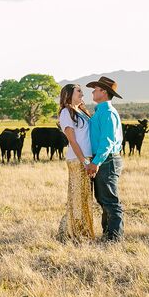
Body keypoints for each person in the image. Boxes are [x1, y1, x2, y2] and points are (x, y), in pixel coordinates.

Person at [85, 76, 125, 242]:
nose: (93, 92)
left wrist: (96, 162)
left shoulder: (107, 113)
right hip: (104, 159)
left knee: (110, 200)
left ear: (104, 92)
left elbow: (107, 141)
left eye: (96, 89)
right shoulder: (101, 111)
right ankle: (108, 234)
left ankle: (114, 238)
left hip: (107, 159)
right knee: (103, 200)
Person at [56, 83, 96, 241]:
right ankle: (73, 232)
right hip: (77, 159)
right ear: (69, 94)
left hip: (86, 158)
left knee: (85, 196)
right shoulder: (66, 112)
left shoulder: (80, 111)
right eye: (79, 91)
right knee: (78, 197)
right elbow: (72, 140)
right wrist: (84, 161)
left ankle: (81, 231)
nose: (82, 94)